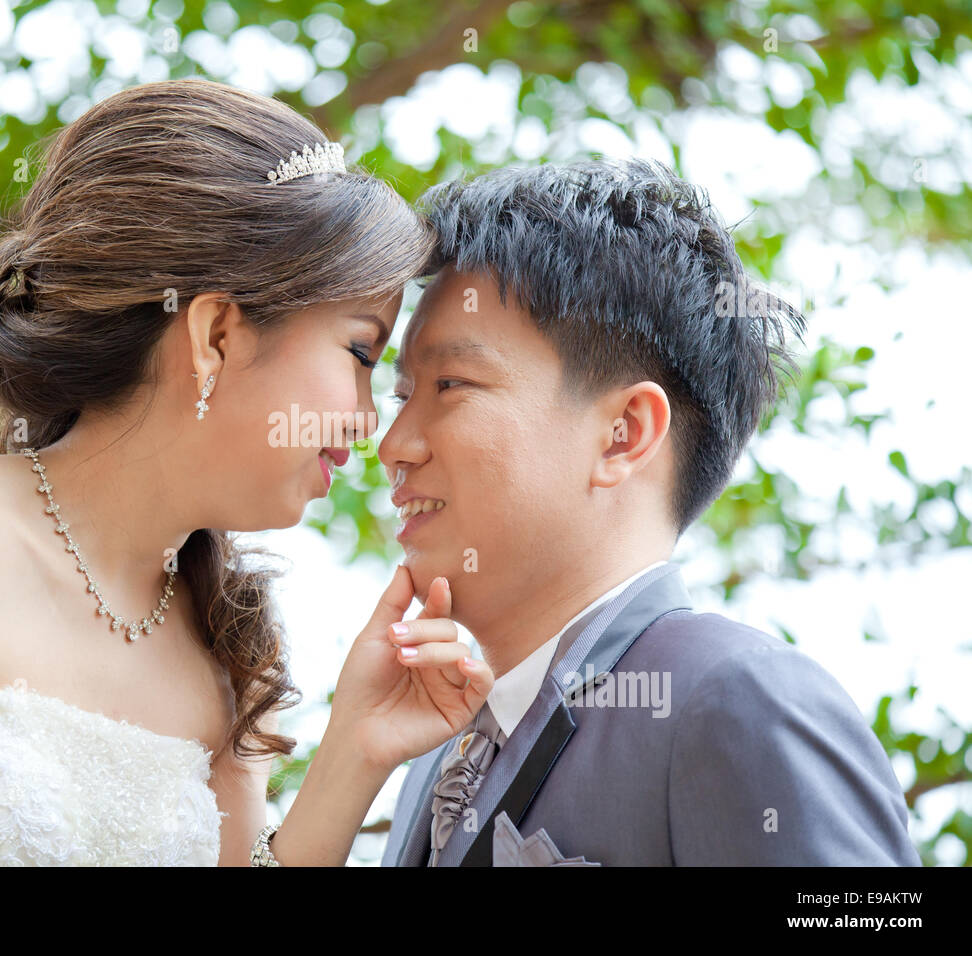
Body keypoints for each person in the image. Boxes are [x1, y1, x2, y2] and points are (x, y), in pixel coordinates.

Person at [0, 78, 492, 867]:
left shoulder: (228, 646)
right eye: (359, 352)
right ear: (213, 335)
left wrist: (356, 747)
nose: (368, 420)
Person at [378, 160, 921, 866]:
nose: (393, 445)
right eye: (401, 396)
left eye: (449, 384)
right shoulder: (429, 756)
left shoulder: (739, 698)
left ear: (623, 433)